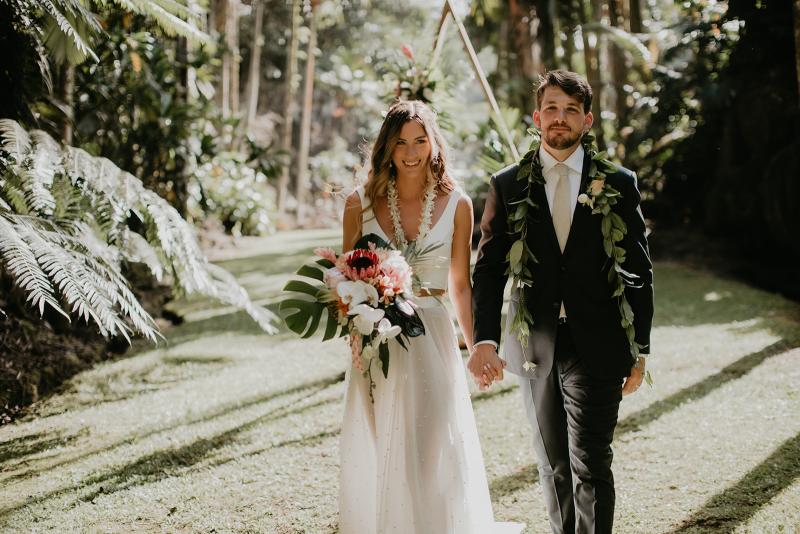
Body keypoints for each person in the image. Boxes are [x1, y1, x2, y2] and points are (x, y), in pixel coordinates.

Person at [469, 70, 654, 534]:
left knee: (591, 462)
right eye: (552, 108)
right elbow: (489, 271)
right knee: (552, 465)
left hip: (601, 342)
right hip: (535, 343)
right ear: (537, 116)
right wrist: (485, 340)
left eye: (571, 110)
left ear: (587, 120)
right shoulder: (508, 184)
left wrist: (641, 348)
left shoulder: (618, 182)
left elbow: (639, 270)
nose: (560, 118)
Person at [338, 100, 523, 534]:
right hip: (376, 340)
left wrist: (480, 344)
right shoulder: (358, 203)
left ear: (433, 143)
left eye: (420, 140)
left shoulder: (457, 203)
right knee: (384, 447)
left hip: (432, 337)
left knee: (431, 446)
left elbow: (460, 284)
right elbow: (344, 279)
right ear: (387, 147)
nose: (411, 151)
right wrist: (356, 336)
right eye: (401, 142)